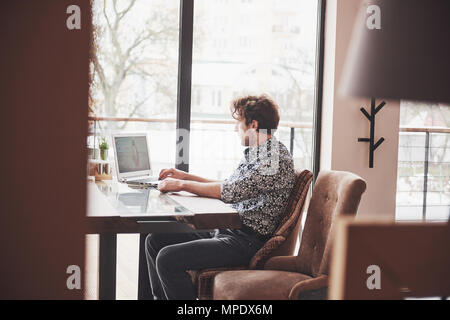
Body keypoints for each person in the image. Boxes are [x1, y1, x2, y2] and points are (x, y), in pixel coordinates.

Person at [145, 95, 296, 300]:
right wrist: (184, 176)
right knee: (155, 241)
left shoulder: (273, 159)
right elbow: (227, 185)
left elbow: (229, 192)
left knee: (167, 259)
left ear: (253, 124)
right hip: (230, 231)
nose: (235, 129)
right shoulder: (260, 153)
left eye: (238, 122)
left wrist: (181, 185)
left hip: (247, 242)